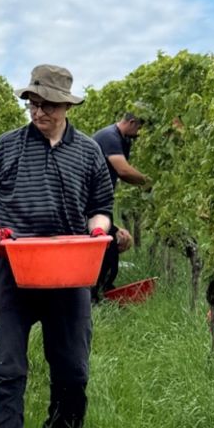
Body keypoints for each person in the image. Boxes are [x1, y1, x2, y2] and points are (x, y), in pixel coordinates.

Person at [0, 64, 114, 428]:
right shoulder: (5, 147)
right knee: (7, 370)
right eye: (33, 103)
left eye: (47, 104)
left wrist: (96, 234)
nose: (38, 112)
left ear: (66, 105)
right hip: (12, 269)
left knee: (73, 371)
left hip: (68, 272)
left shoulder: (88, 152)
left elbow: (100, 209)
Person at [91, 110, 150, 301]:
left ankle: (102, 292)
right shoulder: (110, 137)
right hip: (89, 203)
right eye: (139, 128)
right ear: (131, 122)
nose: (140, 133)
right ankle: (98, 296)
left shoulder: (123, 139)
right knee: (106, 248)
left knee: (111, 247)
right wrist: (148, 182)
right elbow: (123, 170)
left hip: (99, 203)